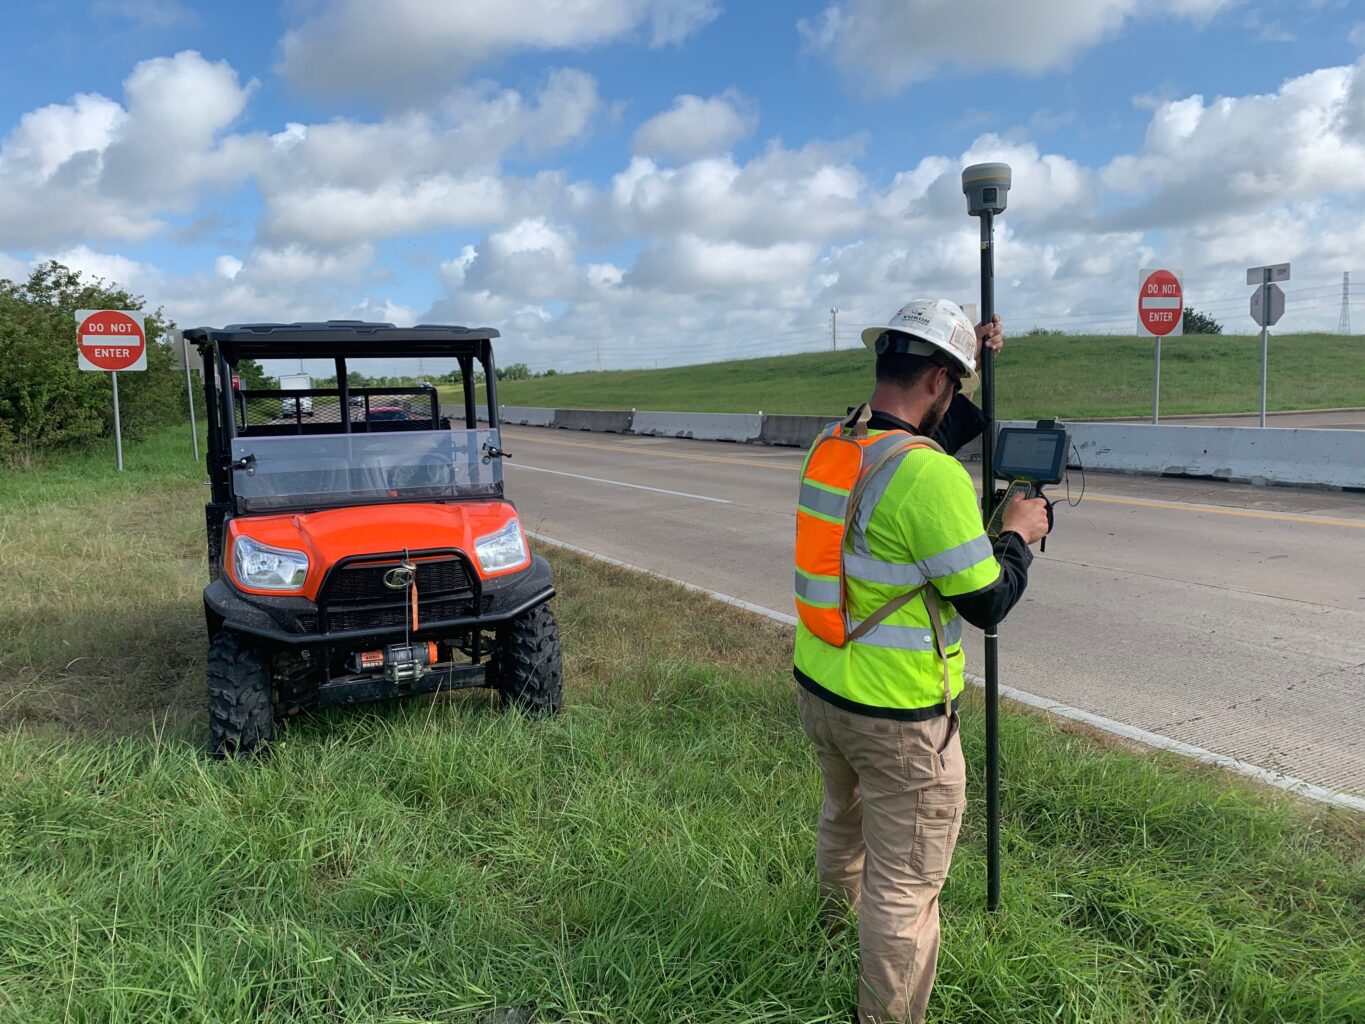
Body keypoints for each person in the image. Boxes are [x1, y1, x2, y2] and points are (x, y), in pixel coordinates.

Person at [792, 299, 1051, 1024]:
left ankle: (828, 934)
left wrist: (972, 359)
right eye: (955, 382)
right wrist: (1018, 534)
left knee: (842, 826)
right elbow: (986, 602)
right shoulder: (929, 479)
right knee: (904, 887)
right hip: (899, 719)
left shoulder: (833, 447)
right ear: (937, 379)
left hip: (822, 691)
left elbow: (919, 442)